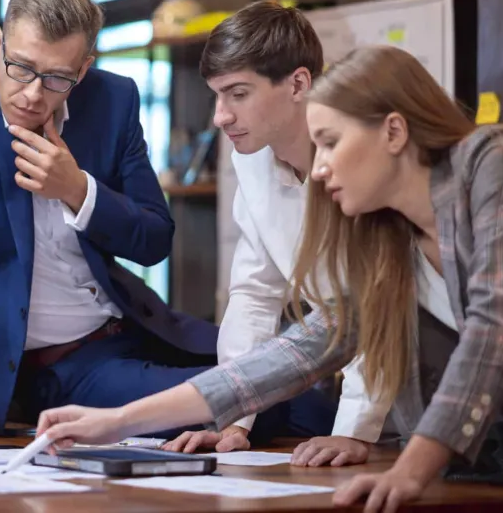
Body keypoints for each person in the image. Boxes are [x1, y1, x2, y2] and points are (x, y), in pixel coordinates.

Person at [37, 44, 502, 513]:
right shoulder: (387, 233)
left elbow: (492, 328)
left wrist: (411, 467)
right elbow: (298, 352)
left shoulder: (489, 165)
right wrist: (117, 422)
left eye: (332, 142)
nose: (319, 169)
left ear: (394, 131)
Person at [0, 0, 329, 444]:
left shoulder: (111, 100)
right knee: (272, 407)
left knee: (307, 400)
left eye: (57, 78)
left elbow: (155, 238)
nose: (34, 94)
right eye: (20, 68)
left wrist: (79, 190)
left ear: (84, 68)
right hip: (54, 366)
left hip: (133, 329)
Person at [162, 1, 394, 465]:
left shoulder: (367, 155)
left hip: (429, 388)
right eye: (216, 96)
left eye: (237, 94)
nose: (219, 116)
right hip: (351, 376)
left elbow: (385, 303)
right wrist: (232, 419)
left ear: (299, 83)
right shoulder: (249, 159)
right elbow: (254, 294)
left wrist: (356, 432)